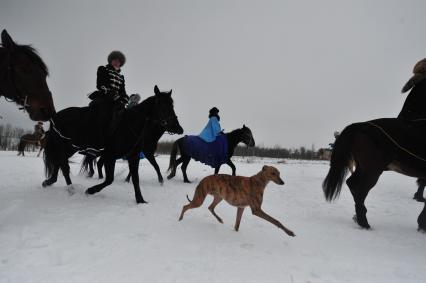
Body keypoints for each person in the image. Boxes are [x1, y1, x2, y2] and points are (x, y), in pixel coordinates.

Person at [88, 50, 129, 148]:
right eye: (114, 59)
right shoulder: (103, 69)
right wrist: (110, 93)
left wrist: (125, 97)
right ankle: (93, 141)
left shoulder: (121, 77)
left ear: (121, 63)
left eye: (119, 61)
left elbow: (122, 90)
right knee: (101, 113)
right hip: (104, 97)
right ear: (111, 61)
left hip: (117, 100)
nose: (116, 62)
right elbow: (100, 84)